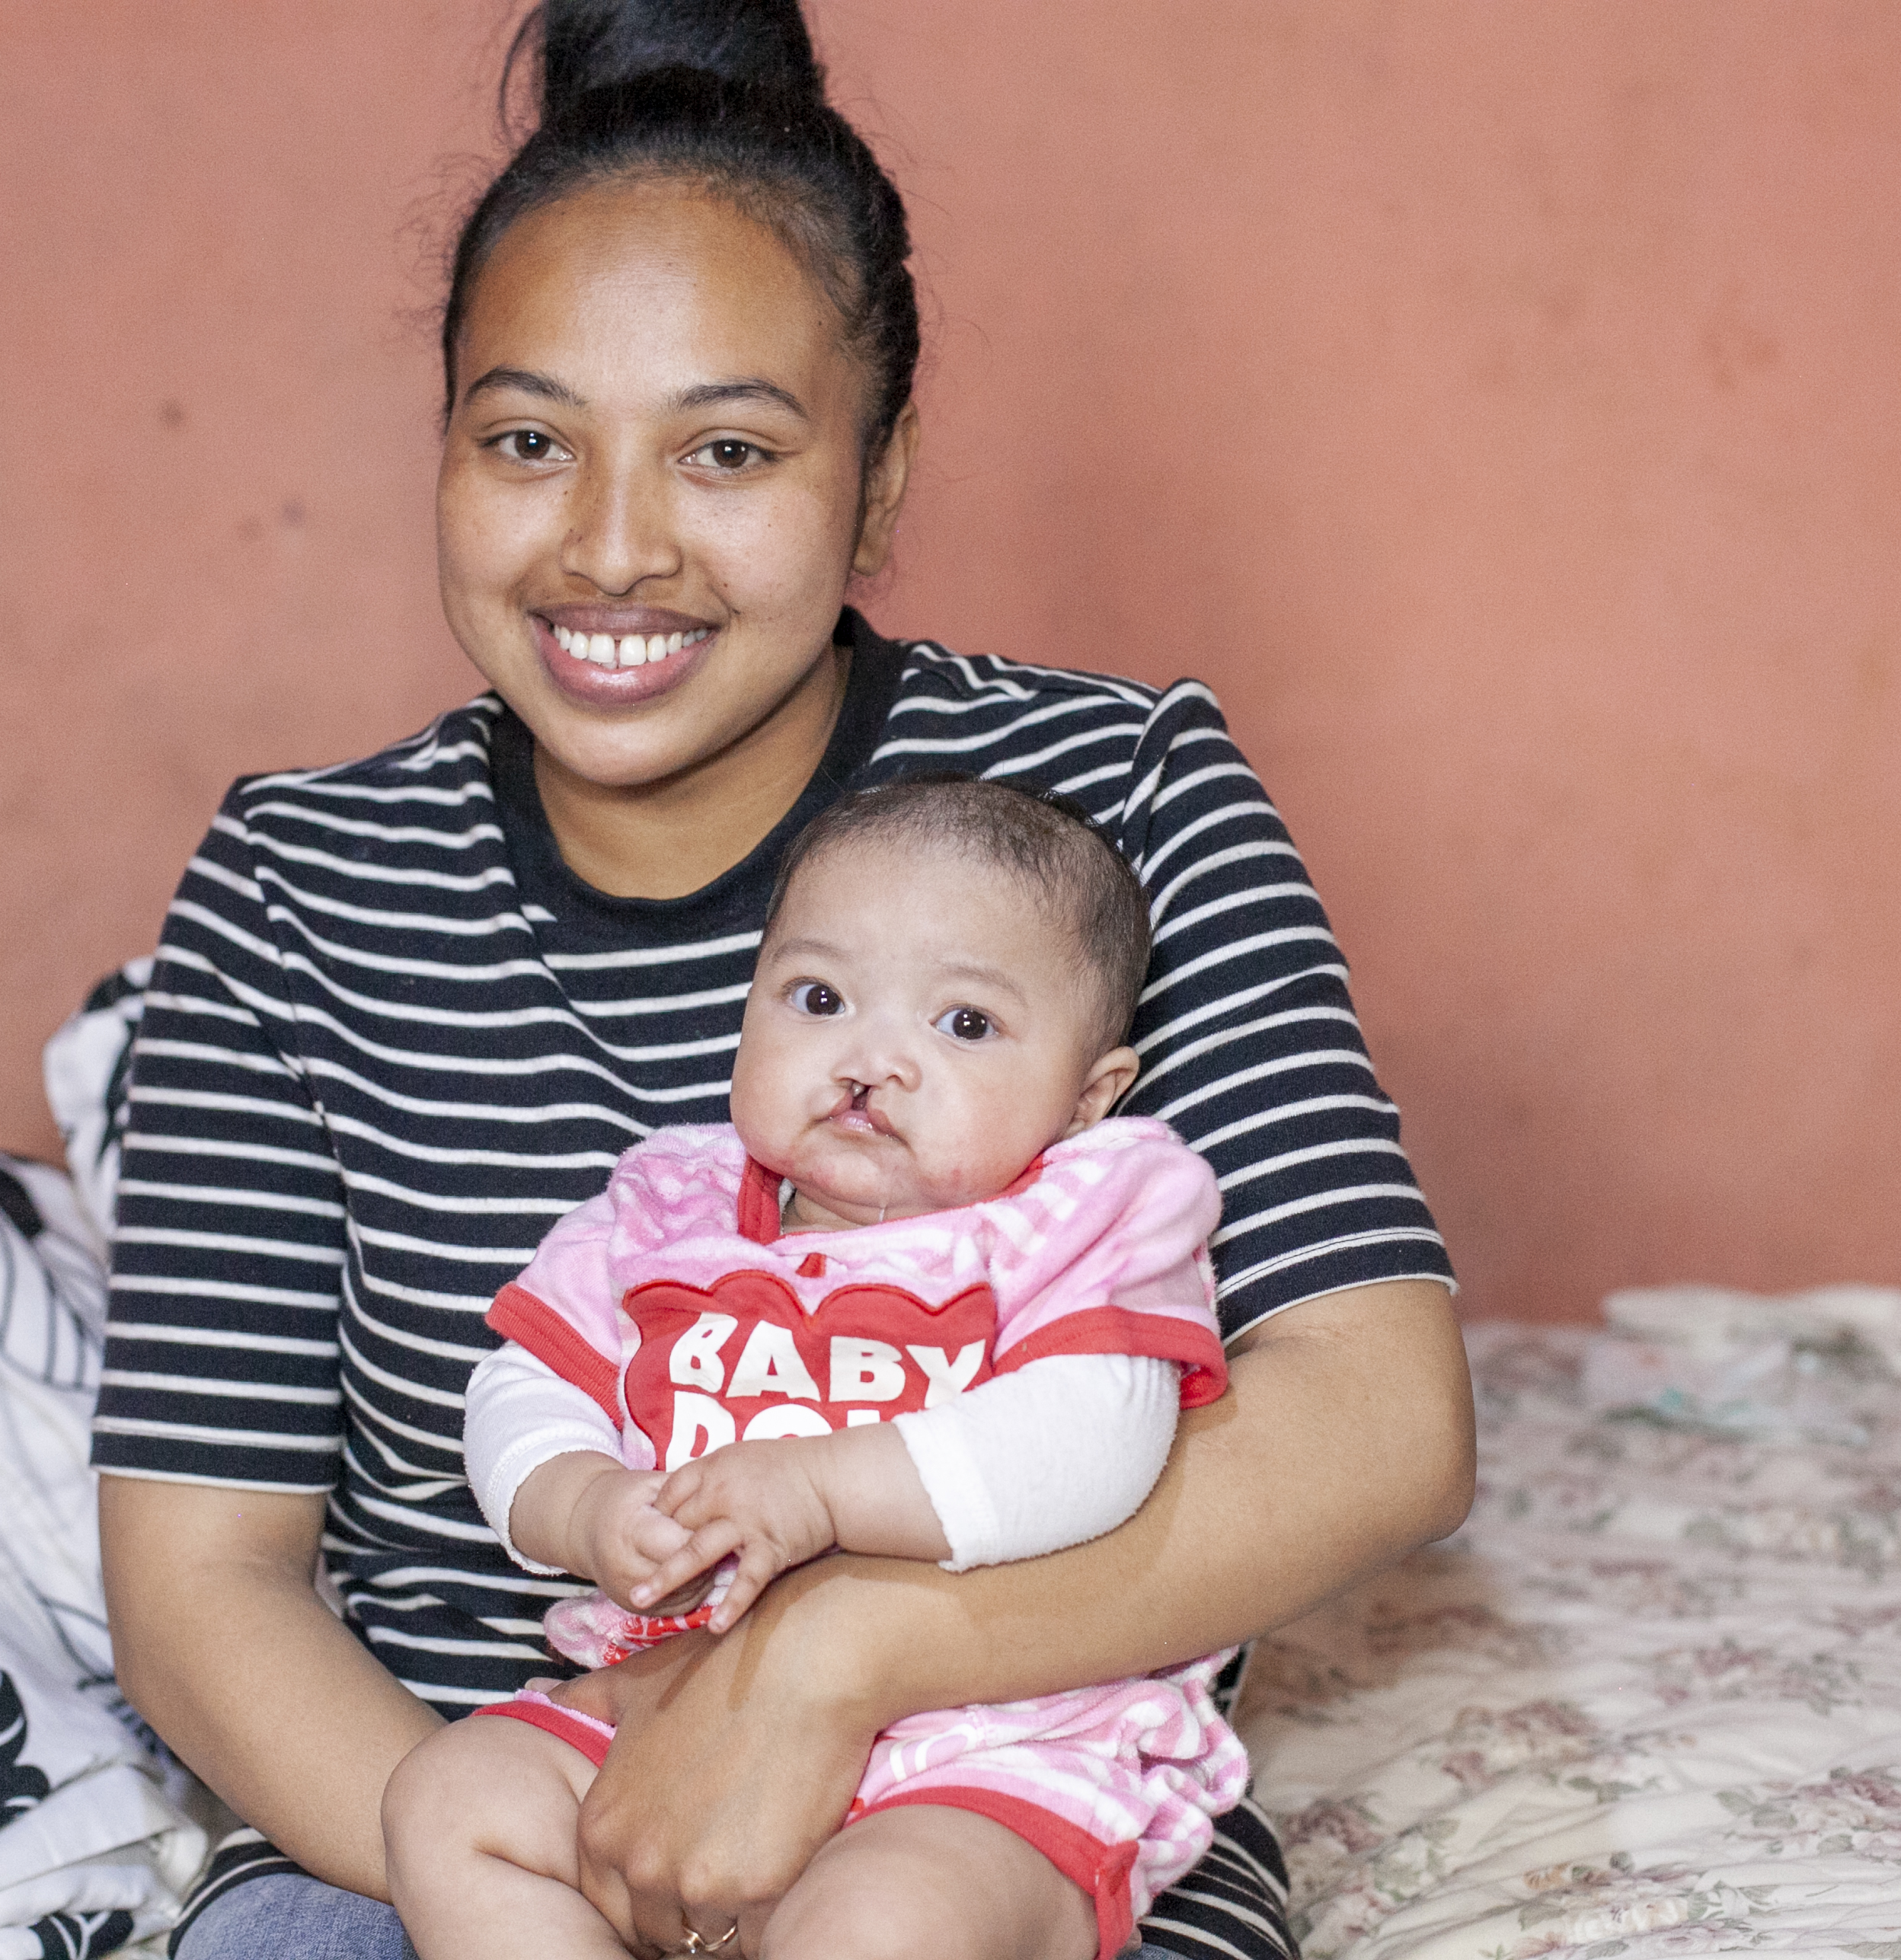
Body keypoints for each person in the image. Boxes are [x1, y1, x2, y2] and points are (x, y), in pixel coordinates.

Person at [91, 2, 1475, 1955]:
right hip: (433, 1825)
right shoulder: (302, 880)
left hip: (989, 1831)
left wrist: (834, 1667)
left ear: (880, 482)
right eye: (524, 441)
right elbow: (202, 1579)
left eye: (725, 449)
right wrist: (526, 1865)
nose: (612, 547)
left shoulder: (1110, 800)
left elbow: (1374, 1414)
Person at [386, 780, 1252, 1960]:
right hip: (668, 1710)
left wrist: (822, 1487)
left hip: (979, 1743)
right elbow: (524, 1384)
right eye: (819, 997)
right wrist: (581, 1502)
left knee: (885, 1924)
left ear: (1086, 1094)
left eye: (964, 1024)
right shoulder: (667, 1210)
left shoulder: (1072, 1221)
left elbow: (1098, 1436)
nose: (869, 1058)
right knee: (453, 1799)